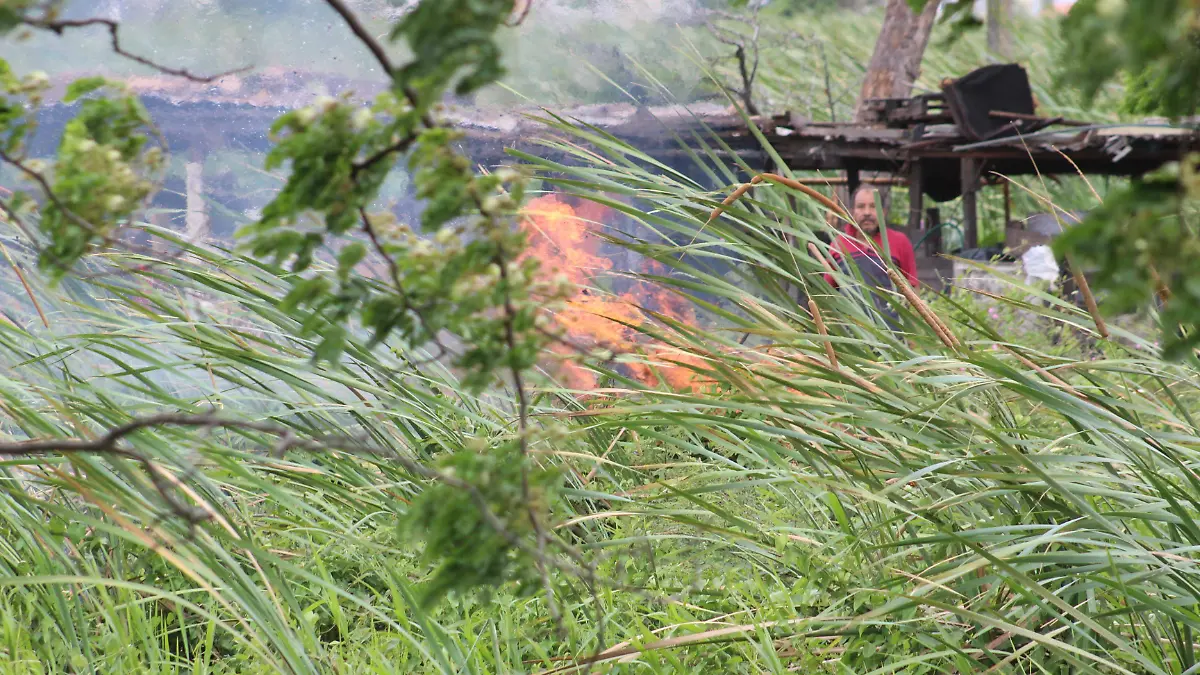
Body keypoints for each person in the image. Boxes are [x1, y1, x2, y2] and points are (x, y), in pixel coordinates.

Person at [823, 185, 919, 289]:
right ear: (852, 212)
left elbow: (913, 287)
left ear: (884, 212)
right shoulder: (839, 243)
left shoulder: (900, 242)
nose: (867, 213)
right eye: (861, 206)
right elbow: (827, 289)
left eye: (873, 206)